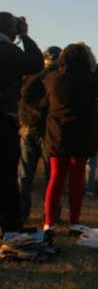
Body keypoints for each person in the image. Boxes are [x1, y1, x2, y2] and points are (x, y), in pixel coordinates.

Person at [43, 43, 98, 233]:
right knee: (77, 178)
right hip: (83, 132)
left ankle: (49, 222)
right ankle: (74, 222)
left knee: (56, 177)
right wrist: (92, 62)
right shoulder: (92, 79)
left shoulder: (52, 79)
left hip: (58, 132)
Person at [0, 13, 43, 235]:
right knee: (7, 175)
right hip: (3, 121)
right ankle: (10, 227)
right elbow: (35, 63)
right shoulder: (9, 51)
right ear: (11, 30)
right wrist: (25, 36)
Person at [17, 46, 61, 226]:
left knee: (24, 175)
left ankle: (20, 213)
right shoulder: (55, 79)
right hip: (47, 130)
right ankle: (51, 215)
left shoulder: (29, 77)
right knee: (52, 176)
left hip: (27, 128)